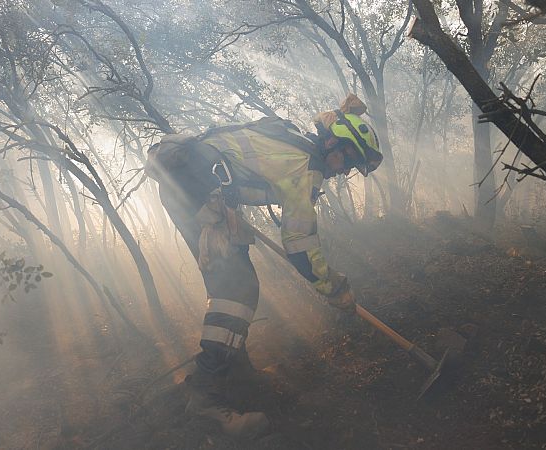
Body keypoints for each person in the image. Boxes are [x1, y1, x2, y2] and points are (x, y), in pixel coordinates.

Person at [146, 94, 382, 438]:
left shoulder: (293, 140)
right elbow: (300, 246)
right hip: (195, 188)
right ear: (333, 142)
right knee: (237, 290)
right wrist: (334, 286)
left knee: (235, 285)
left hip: (192, 183)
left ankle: (238, 376)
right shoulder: (306, 167)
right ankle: (206, 401)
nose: (345, 171)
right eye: (348, 159)